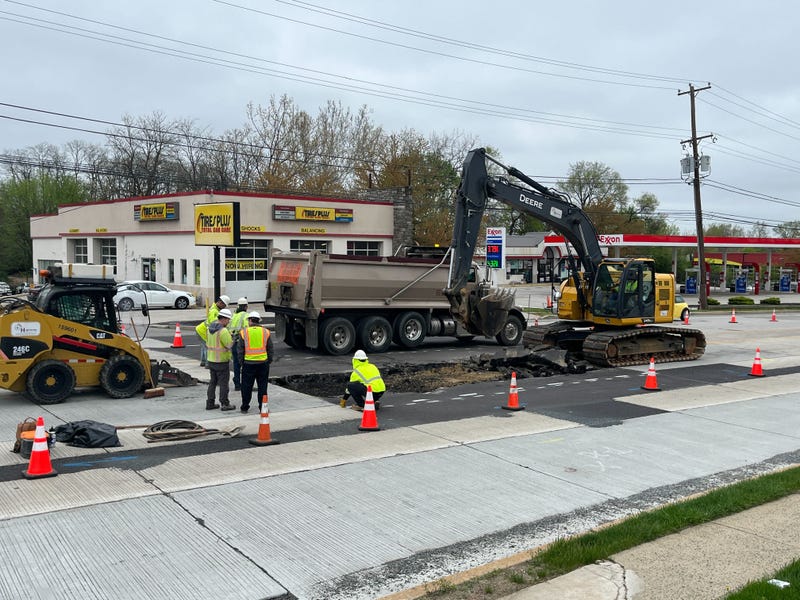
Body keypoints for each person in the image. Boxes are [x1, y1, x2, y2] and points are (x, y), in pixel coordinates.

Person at [236, 310, 274, 414]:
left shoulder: (244, 332)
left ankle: (244, 407)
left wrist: (241, 363)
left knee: (246, 387)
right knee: (262, 387)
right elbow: (270, 348)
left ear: (250, 320)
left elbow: (240, 350)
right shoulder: (265, 332)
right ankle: (263, 408)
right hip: (263, 363)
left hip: (248, 364)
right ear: (258, 321)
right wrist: (269, 360)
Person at [204, 308, 236, 411]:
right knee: (223, 383)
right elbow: (228, 345)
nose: (229, 322)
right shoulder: (223, 331)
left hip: (211, 360)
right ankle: (225, 403)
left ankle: (210, 403)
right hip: (221, 361)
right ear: (224, 319)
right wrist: (233, 339)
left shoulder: (209, 329)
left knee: (212, 382)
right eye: (228, 320)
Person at [197, 295, 230, 367]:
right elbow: (213, 323)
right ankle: (207, 363)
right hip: (202, 331)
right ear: (220, 303)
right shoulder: (214, 310)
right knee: (207, 347)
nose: (224, 307)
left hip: (200, 329)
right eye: (224, 305)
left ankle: (203, 361)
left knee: (204, 346)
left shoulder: (215, 309)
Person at [229, 297, 249, 391]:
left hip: (234, 342)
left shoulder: (234, 315)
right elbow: (247, 330)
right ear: (246, 306)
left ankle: (237, 383)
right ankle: (245, 384)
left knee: (236, 364)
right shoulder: (245, 316)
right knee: (245, 365)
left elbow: (230, 329)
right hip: (242, 343)